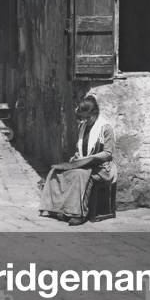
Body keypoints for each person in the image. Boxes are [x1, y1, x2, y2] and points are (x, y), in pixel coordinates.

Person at [38, 94, 117, 226]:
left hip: (102, 168)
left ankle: (79, 214)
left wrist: (89, 159)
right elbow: (79, 149)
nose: (86, 120)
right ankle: (58, 209)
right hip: (84, 165)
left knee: (80, 175)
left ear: (95, 113)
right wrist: (75, 159)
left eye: (88, 117)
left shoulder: (106, 128)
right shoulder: (83, 127)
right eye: (83, 118)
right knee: (57, 172)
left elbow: (108, 153)